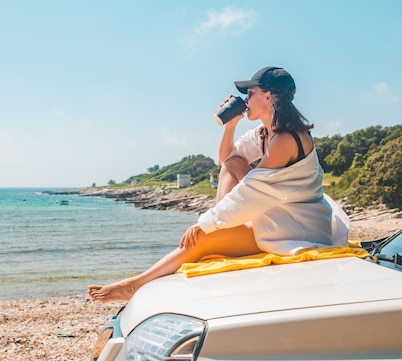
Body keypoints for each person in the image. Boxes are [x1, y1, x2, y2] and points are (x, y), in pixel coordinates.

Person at [88, 66, 349, 303]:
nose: (246, 99)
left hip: (296, 232)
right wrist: (230, 125)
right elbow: (226, 160)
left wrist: (206, 222)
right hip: (278, 221)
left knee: (201, 237)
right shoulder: (264, 133)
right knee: (231, 165)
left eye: (251, 92)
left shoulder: (286, 140)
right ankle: (141, 279)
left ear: (268, 96)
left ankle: (132, 286)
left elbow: (251, 193)